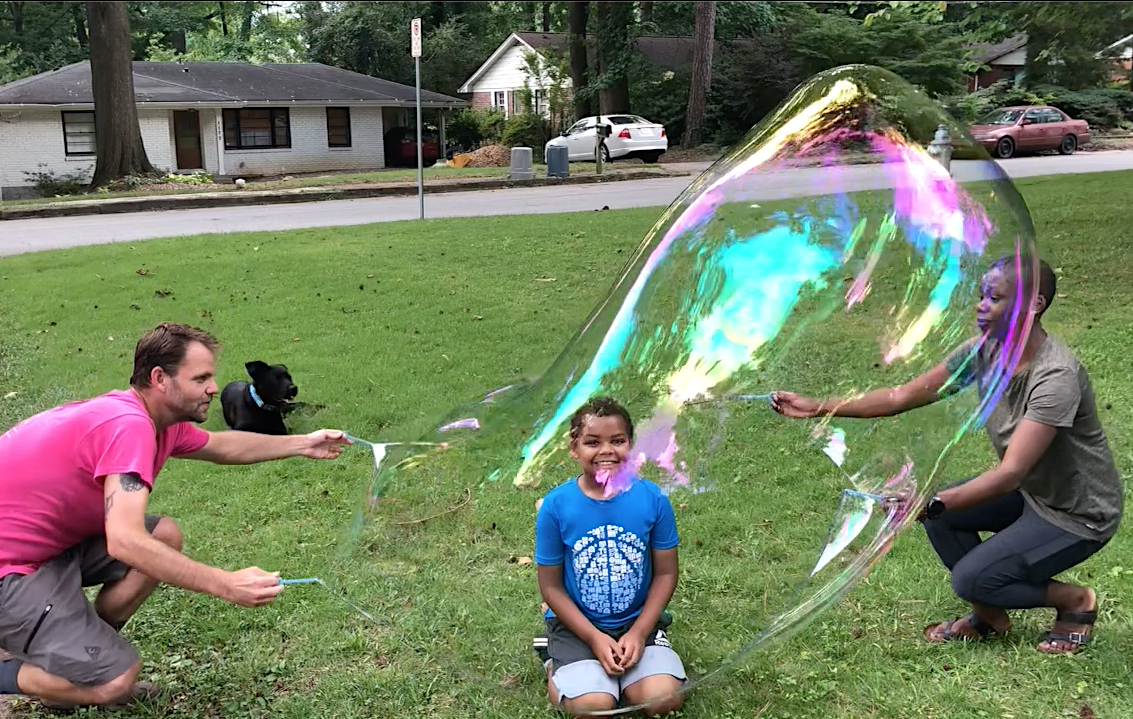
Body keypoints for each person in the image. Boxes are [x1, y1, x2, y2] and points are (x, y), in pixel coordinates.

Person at [771, 256, 1122, 655]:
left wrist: (931, 502)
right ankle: (991, 616)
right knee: (945, 518)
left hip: (1077, 512)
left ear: (1034, 305)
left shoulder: (1055, 377)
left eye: (995, 297)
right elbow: (902, 396)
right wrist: (819, 406)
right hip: (1033, 492)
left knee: (969, 574)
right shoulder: (984, 351)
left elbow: (1011, 472)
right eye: (981, 296)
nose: (981, 305)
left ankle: (1074, 601)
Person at [0, 322, 350, 710]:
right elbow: (125, 540)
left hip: (47, 546)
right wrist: (225, 584)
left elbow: (222, 445)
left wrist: (304, 442)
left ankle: (78, 663)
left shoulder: (153, 420)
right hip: (11, 569)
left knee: (164, 534)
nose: (214, 388)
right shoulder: (127, 426)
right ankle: (58, 675)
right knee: (117, 682)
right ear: (159, 379)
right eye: (201, 377)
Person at [534, 397, 687, 717]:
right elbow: (551, 588)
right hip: (577, 627)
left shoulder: (653, 500)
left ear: (631, 445)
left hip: (637, 621)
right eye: (592, 442)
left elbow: (665, 574)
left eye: (618, 441)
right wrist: (594, 637)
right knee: (593, 706)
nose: (606, 450)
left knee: (661, 700)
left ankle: (629, 665)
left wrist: (640, 631)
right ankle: (554, 658)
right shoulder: (556, 505)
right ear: (574, 448)